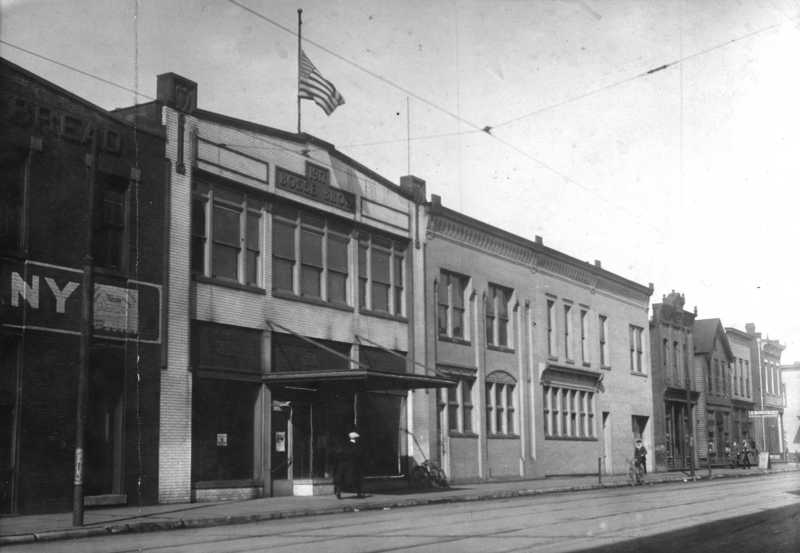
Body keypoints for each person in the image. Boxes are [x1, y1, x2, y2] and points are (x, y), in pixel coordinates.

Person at [333, 430, 364, 499]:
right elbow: (358, 454)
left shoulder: (344, 444)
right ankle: (359, 493)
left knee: (340, 479)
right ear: (355, 438)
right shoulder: (356, 445)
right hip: (352, 464)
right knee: (356, 478)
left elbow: (338, 453)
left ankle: (339, 491)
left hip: (342, 464)